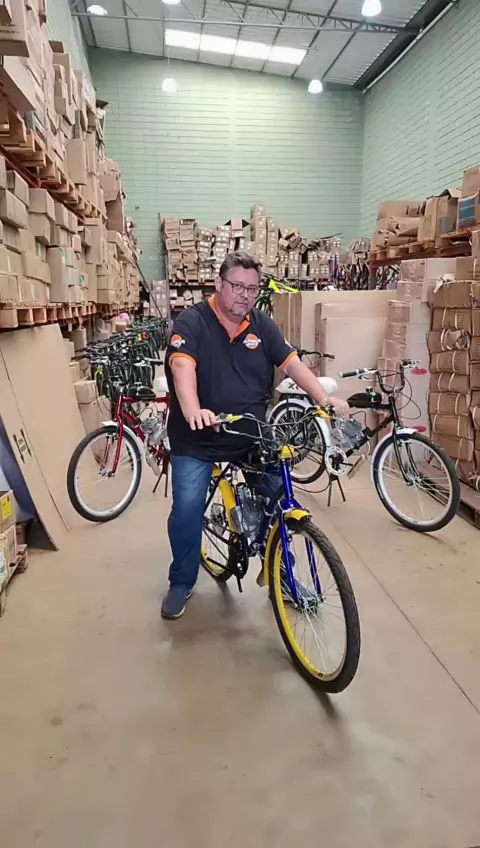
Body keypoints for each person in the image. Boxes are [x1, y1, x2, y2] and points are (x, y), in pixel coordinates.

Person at [162, 251, 349, 620]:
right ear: (218, 284)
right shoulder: (192, 322)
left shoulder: (261, 325)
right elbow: (182, 367)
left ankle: (282, 579)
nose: (245, 295)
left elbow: (291, 363)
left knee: (278, 502)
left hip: (250, 435)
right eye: (237, 286)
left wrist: (322, 397)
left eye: (252, 288)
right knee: (187, 510)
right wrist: (193, 410)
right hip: (197, 438)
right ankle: (181, 580)